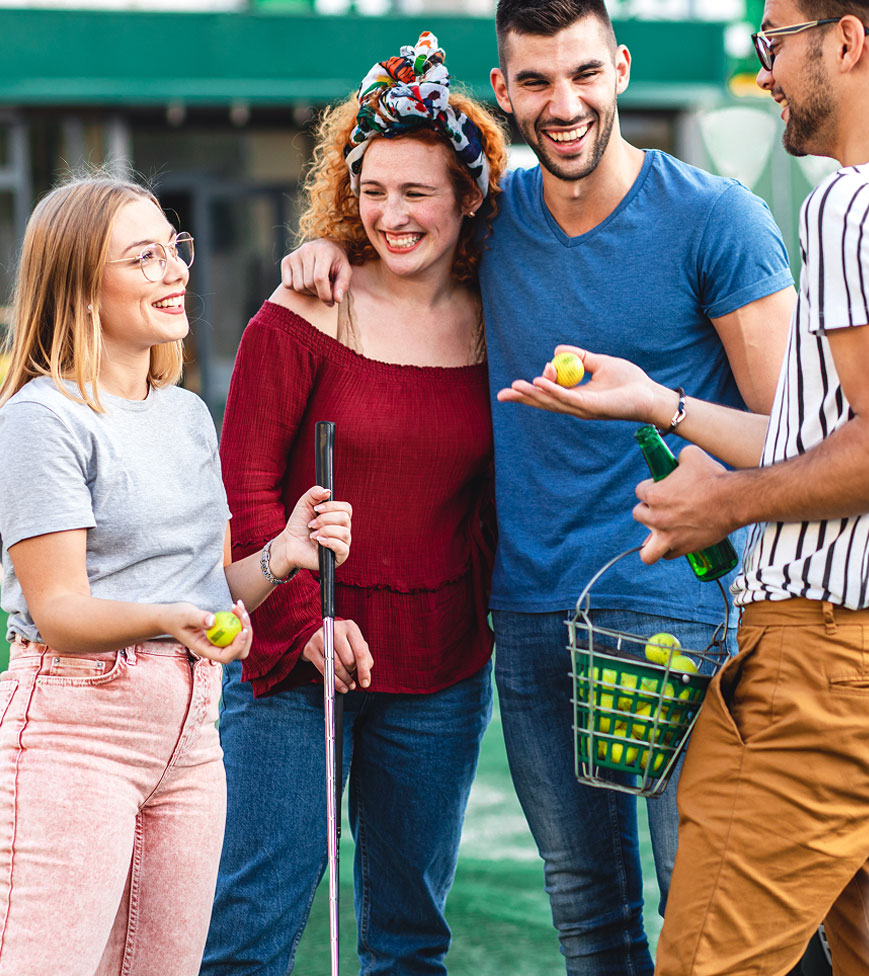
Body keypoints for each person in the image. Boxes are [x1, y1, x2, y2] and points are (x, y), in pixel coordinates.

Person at [280, 2, 797, 972]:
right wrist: (327, 251)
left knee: (709, 916)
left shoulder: (716, 220)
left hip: (685, 617)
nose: (565, 104)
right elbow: (397, 238)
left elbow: (804, 438)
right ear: (506, 91)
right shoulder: (490, 222)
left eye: (584, 75)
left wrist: (681, 425)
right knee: (588, 919)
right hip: (529, 619)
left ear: (622, 71)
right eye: (538, 81)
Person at [503, 2, 869, 973]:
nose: (765, 72)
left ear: (846, 41)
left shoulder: (854, 205)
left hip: (832, 660)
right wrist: (663, 405)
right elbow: (855, 433)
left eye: (777, 43)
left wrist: (724, 504)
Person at [200, 33, 507, 976]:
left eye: (416, 193)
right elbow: (245, 495)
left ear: (468, 194)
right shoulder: (302, 312)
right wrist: (302, 628)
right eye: (371, 190)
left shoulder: (503, 314)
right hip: (302, 657)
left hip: (443, 666)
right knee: (255, 925)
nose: (390, 215)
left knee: (409, 939)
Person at [0, 175, 353, 975]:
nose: (174, 271)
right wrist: (167, 620)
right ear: (81, 287)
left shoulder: (186, 413)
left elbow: (208, 592)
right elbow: (58, 610)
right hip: (75, 732)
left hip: (192, 743)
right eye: (144, 257)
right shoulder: (40, 417)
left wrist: (282, 554)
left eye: (174, 249)